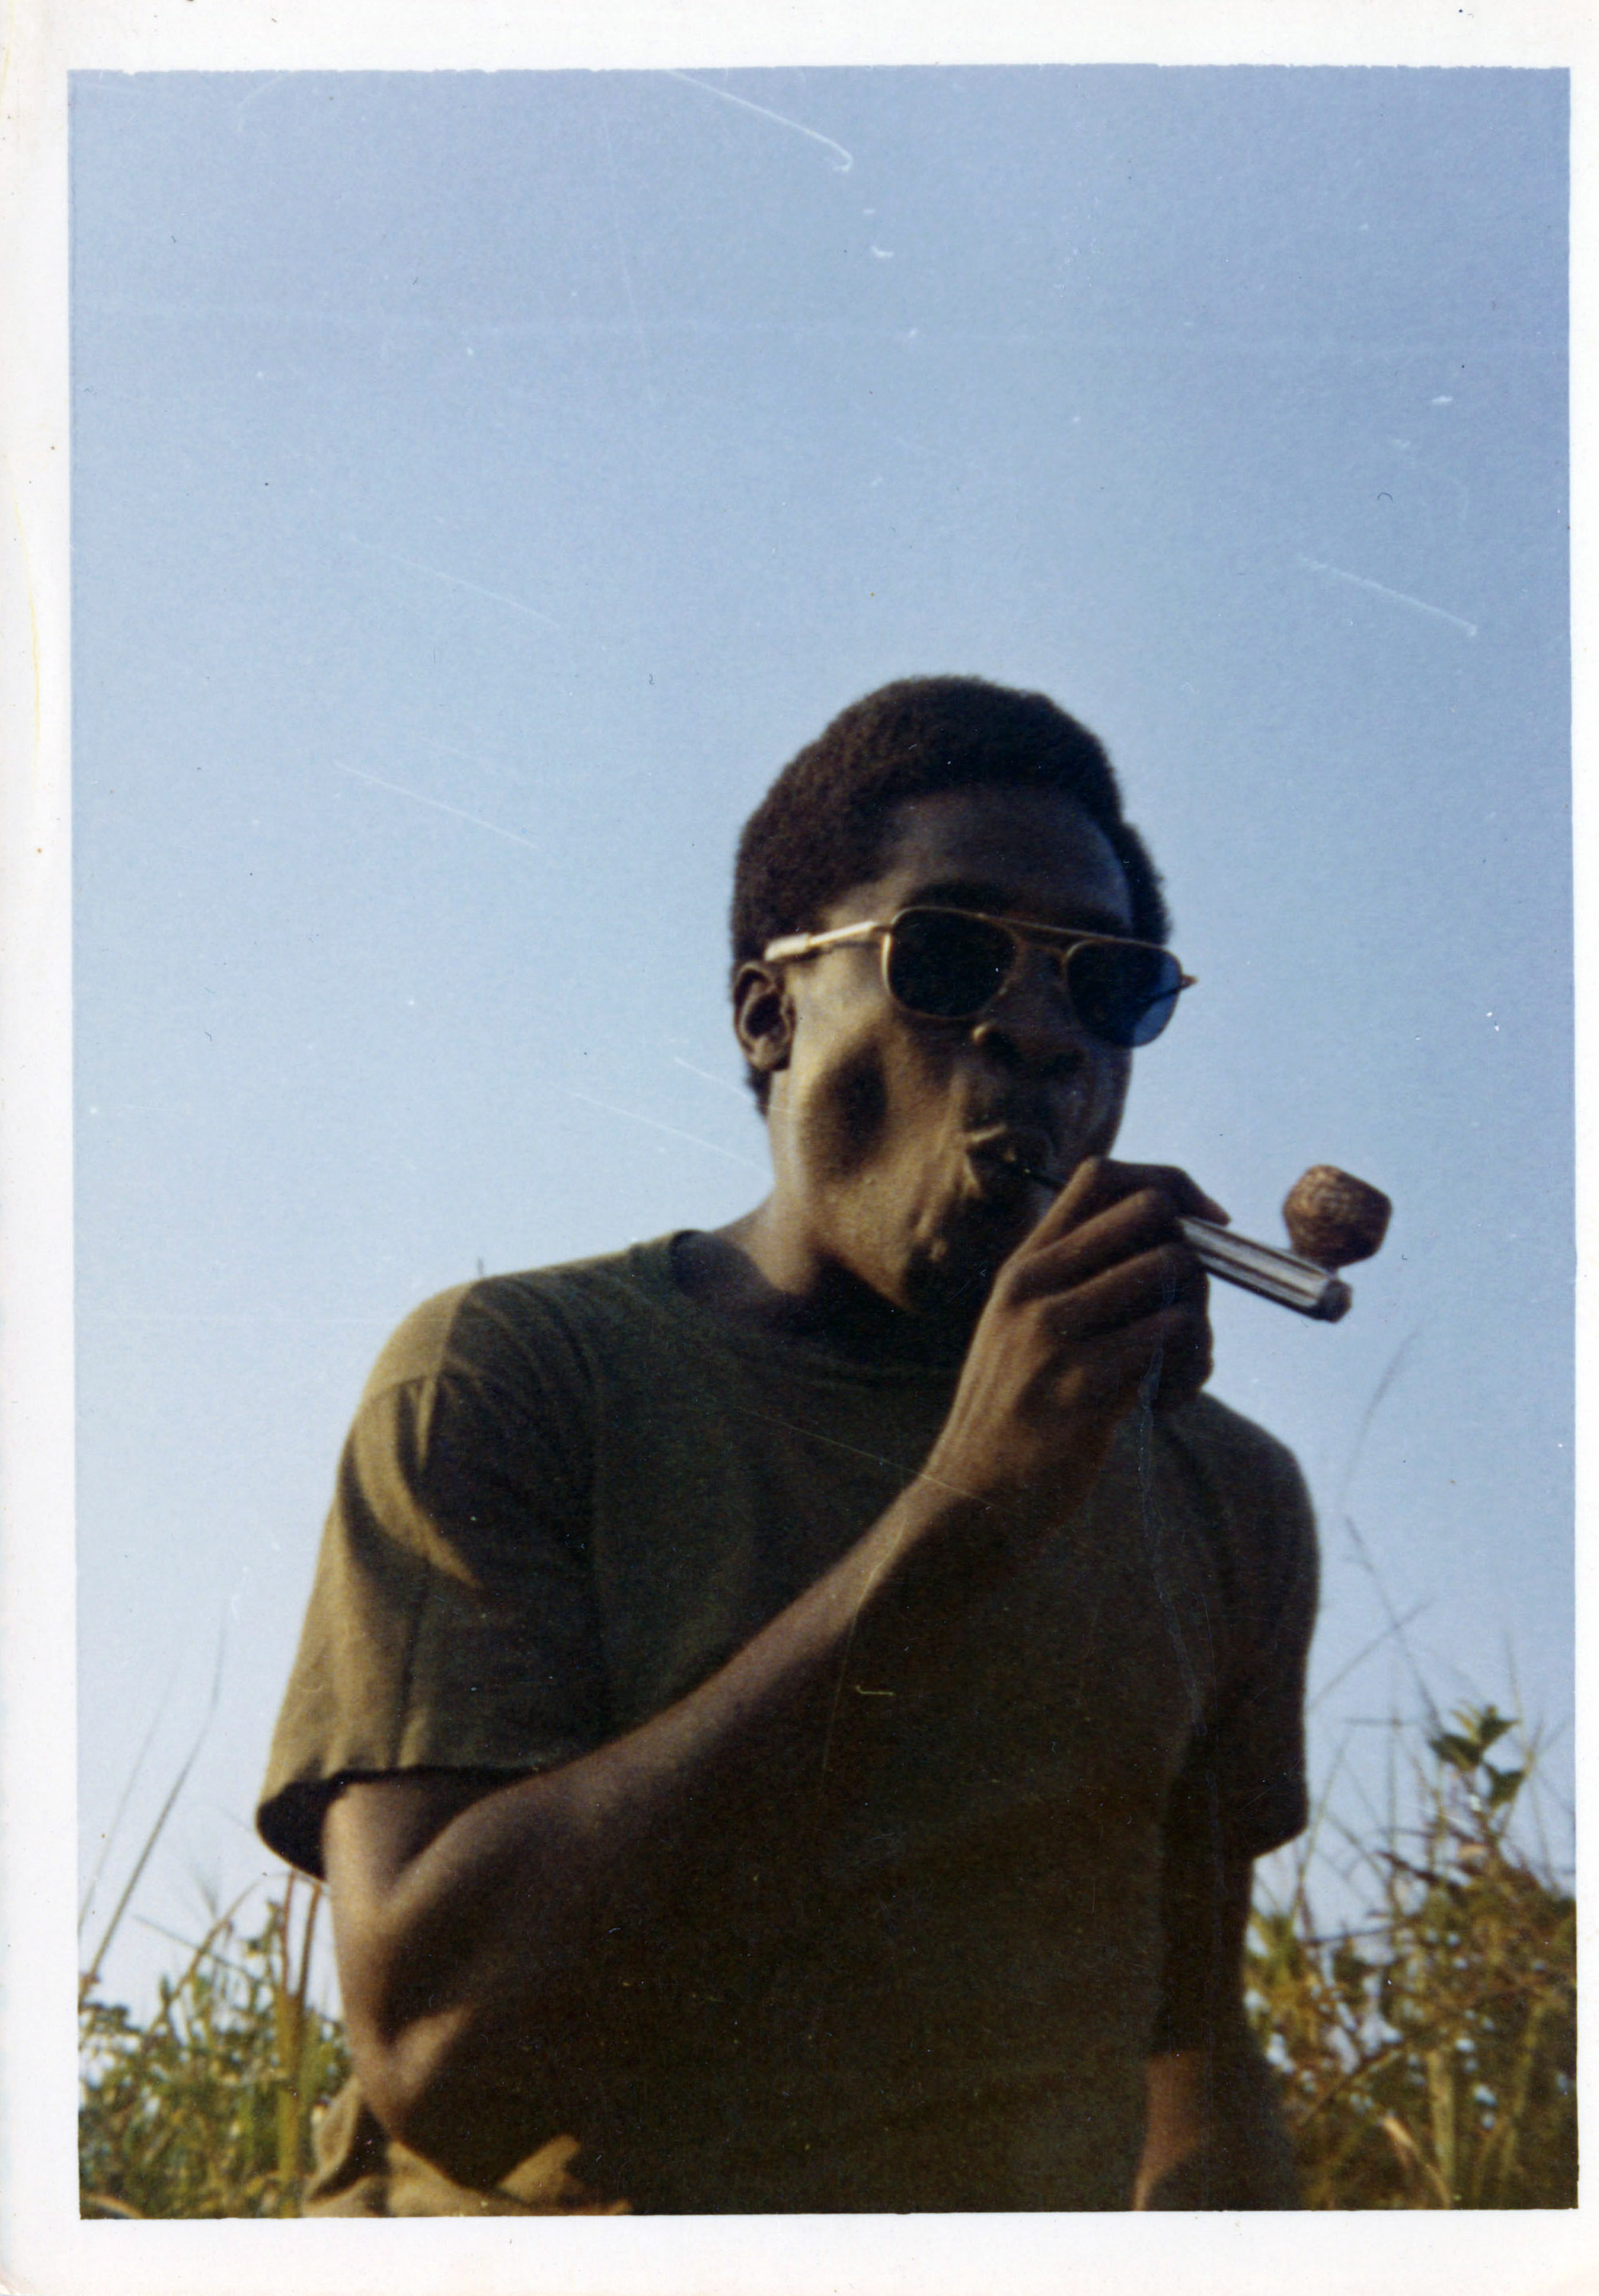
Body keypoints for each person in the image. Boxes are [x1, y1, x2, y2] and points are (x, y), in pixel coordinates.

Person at [258, 675, 1316, 2215]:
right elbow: (442, 2056)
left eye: (1106, 985)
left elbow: (1192, 2052)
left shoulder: (1221, 1494)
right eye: (950, 956)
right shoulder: (513, 1377)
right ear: (769, 1012)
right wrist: (964, 1517)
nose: (1030, 1028)